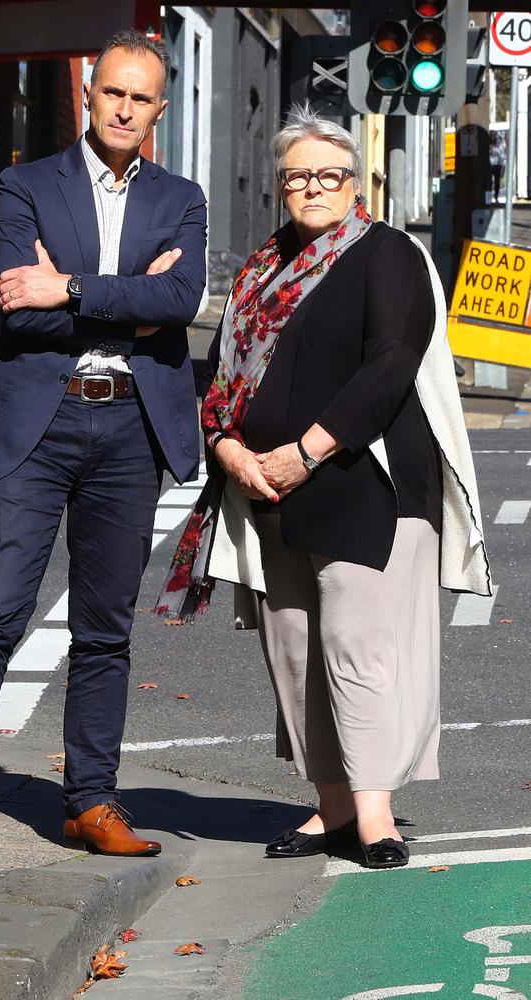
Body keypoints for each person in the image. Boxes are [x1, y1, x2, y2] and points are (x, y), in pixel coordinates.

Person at [155, 107, 490, 869]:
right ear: (280, 186)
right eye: (298, 176)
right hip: (269, 495)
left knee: (361, 649)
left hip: (365, 489)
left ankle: (376, 814)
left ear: (354, 182)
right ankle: (332, 807)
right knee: (298, 652)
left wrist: (305, 451)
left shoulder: (388, 255)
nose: (313, 187)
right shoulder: (258, 271)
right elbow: (222, 382)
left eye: (328, 174)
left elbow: (390, 365)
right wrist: (228, 448)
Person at [0, 29, 206, 856]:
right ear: (89, 94)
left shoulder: (180, 198)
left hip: (131, 428)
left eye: (140, 97)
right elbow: (21, 303)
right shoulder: (25, 184)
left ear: (159, 108)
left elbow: (181, 298)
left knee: (105, 628)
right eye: (112, 91)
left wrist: (70, 285)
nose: (123, 107)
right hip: (35, 424)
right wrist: (129, 299)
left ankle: (91, 801)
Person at [489, 132, 505, 204]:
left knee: (497, 182)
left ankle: (496, 197)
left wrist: (502, 165)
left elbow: (501, 155)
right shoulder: (488, 146)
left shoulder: (499, 146)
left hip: (497, 165)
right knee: (489, 182)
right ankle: (489, 197)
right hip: (490, 165)